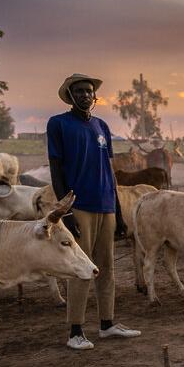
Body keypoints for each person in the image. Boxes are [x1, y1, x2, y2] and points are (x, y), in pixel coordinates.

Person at [47, 73, 141, 350]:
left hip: (106, 205)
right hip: (80, 206)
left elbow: (109, 172)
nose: (85, 95)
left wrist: (120, 212)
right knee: (80, 268)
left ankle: (107, 324)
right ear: (70, 95)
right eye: (79, 91)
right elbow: (55, 168)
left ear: (94, 96)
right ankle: (75, 331)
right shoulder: (58, 124)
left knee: (106, 267)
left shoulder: (101, 126)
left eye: (89, 91)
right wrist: (66, 210)